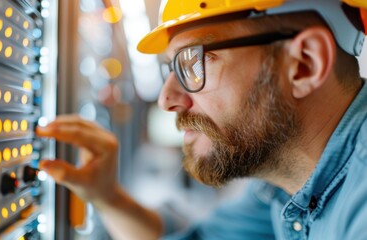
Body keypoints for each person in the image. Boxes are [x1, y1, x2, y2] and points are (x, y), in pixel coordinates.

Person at [36, 0, 367, 239]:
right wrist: (105, 195)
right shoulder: (282, 189)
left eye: (192, 63)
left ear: (304, 64)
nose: (166, 100)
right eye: (171, 69)